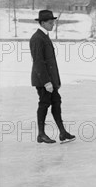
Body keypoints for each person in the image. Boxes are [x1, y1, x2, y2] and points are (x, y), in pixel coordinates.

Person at [30, 9, 76, 144]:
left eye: (53, 22)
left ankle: (62, 132)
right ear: (42, 23)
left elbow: (51, 63)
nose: (52, 25)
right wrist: (46, 82)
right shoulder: (37, 38)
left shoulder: (44, 36)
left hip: (50, 80)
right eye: (50, 23)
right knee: (44, 104)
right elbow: (38, 62)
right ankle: (41, 134)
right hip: (42, 80)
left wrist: (56, 81)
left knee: (56, 102)